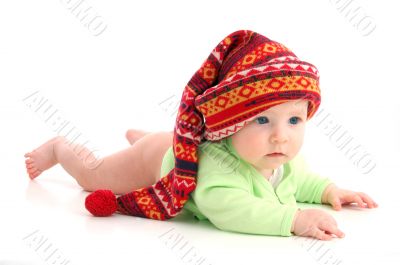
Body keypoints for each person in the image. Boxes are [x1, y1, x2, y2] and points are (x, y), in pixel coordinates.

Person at [24, 30, 378, 241]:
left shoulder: (279, 158)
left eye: (294, 122)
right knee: (94, 175)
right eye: (261, 121)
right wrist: (294, 220)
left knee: (164, 139)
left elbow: (303, 181)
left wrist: (330, 191)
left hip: (173, 144)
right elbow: (232, 212)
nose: (280, 138)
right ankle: (60, 149)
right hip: (157, 163)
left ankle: (147, 137)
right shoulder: (219, 173)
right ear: (231, 122)